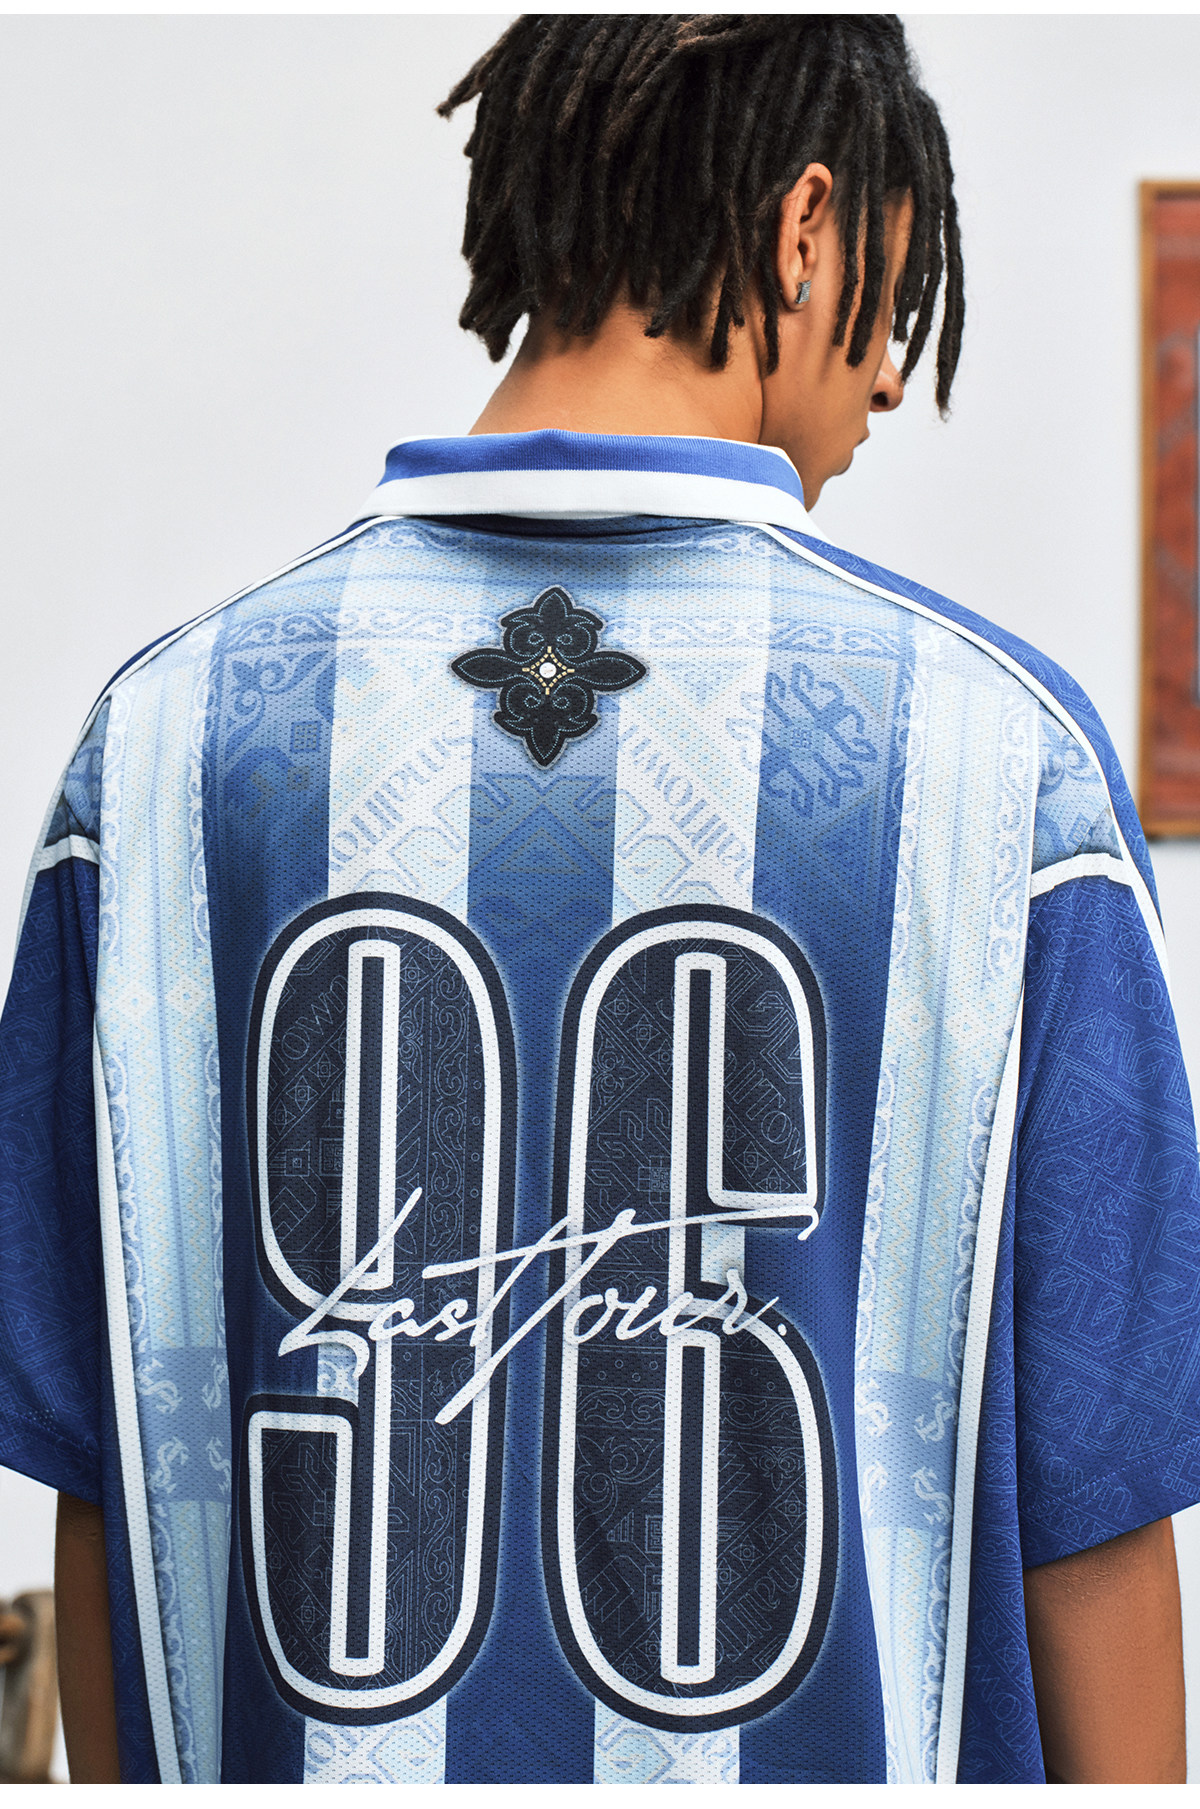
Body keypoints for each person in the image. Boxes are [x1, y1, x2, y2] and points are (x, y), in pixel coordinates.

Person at [0, 13, 1195, 1787]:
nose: (887, 380)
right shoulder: (1005, 771)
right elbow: (1089, 1508)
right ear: (806, 228)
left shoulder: (160, 755)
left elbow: (106, 1474)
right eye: (894, 294)